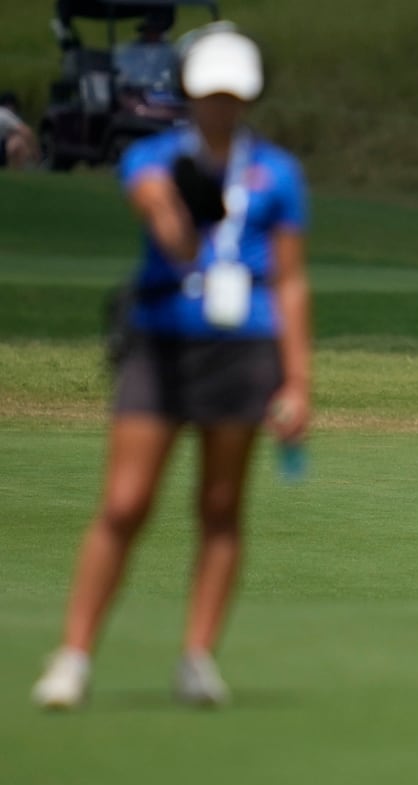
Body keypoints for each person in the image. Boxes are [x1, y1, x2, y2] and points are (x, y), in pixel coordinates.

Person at [32, 24, 312, 710]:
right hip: (162, 340)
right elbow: (156, 208)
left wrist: (298, 380)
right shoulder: (154, 158)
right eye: (209, 93)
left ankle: (196, 657)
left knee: (220, 506)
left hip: (244, 344)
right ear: (190, 92)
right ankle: (72, 657)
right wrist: (178, 219)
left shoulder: (276, 173)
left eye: (231, 95)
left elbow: (291, 281)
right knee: (126, 502)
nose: (220, 106)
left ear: (246, 97)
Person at [0, 92, 39, 169]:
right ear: (11, 105)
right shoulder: (5, 113)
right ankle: (16, 171)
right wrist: (35, 151)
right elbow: (26, 131)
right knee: (18, 141)